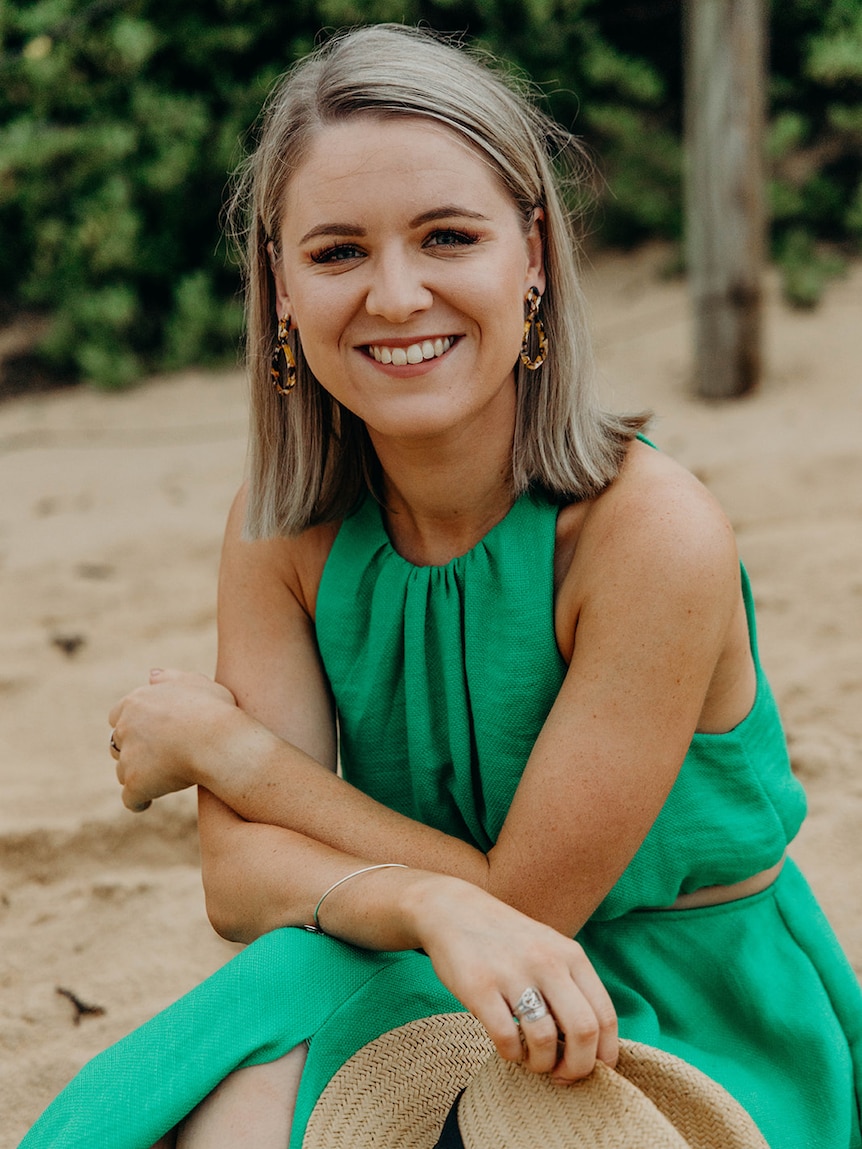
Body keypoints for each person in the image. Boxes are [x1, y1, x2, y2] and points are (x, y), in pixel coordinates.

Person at [20, 22, 861, 1149]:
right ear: (278, 287)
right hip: (409, 953)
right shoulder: (282, 529)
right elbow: (240, 878)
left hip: (680, 1004)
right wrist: (427, 901)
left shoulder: (647, 533)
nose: (397, 294)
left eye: (447, 236)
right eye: (336, 254)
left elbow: (528, 908)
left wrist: (236, 756)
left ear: (534, 255)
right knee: (232, 1107)